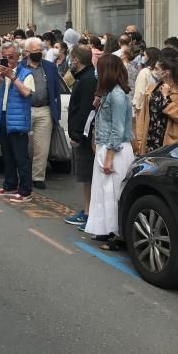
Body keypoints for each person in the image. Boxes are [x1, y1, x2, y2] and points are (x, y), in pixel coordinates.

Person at [84, 54, 134, 250]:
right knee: (103, 192)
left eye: (99, 69)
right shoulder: (108, 93)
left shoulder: (118, 95)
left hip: (116, 150)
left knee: (115, 194)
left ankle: (119, 235)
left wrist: (110, 157)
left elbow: (118, 128)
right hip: (107, 147)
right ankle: (108, 230)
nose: (97, 72)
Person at [0, 42, 35, 203]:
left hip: (18, 119)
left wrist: (12, 77)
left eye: (11, 57)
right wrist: (0, 80)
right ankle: (10, 185)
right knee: (7, 155)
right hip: (1, 117)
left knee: (21, 157)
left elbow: (27, 92)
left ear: (18, 57)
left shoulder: (26, 73)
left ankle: (25, 190)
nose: (8, 60)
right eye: (5, 57)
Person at [133, 51, 178, 155]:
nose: (154, 71)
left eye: (157, 69)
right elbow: (143, 116)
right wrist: (139, 139)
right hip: (150, 140)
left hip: (169, 142)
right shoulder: (153, 88)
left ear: (167, 72)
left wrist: (166, 98)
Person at [64, 46, 97, 230]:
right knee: (85, 177)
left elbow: (85, 111)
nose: (71, 62)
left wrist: (77, 135)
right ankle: (87, 211)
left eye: (72, 58)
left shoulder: (87, 80)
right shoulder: (84, 78)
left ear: (76, 60)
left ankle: (88, 213)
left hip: (84, 137)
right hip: (82, 135)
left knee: (87, 176)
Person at [22, 37, 62, 190]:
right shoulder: (20, 67)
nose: (38, 53)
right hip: (26, 108)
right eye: (35, 51)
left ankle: (38, 177)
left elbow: (56, 91)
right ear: (27, 52)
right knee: (24, 145)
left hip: (45, 109)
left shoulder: (50, 67)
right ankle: (23, 175)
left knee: (42, 146)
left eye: (40, 50)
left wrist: (56, 113)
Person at [132, 47, 161, 123]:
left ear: (149, 57)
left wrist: (136, 106)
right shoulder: (160, 72)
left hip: (143, 106)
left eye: (144, 55)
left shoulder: (144, 72)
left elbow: (140, 91)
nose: (143, 58)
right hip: (155, 105)